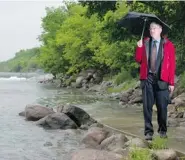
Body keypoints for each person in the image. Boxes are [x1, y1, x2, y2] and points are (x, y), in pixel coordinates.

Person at [135, 22, 176, 140]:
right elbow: (138, 60)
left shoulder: (168, 45)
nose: (152, 30)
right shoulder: (145, 42)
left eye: (155, 28)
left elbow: (172, 64)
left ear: (160, 29)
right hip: (147, 79)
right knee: (147, 107)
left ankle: (162, 131)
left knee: (162, 107)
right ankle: (148, 132)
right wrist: (139, 48)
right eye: (151, 28)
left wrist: (171, 82)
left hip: (162, 80)